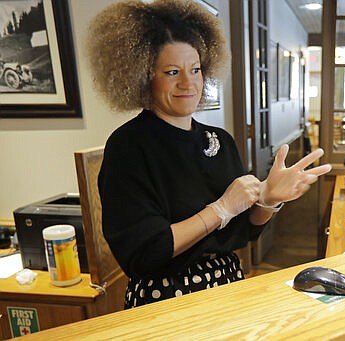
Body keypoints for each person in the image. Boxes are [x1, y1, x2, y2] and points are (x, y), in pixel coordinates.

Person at [86, 0, 331, 309]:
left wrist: (269, 200)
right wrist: (220, 209)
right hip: (163, 295)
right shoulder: (128, 147)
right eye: (172, 72)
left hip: (227, 282)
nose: (189, 83)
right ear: (144, 77)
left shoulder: (221, 141)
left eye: (195, 69)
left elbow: (245, 231)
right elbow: (145, 251)